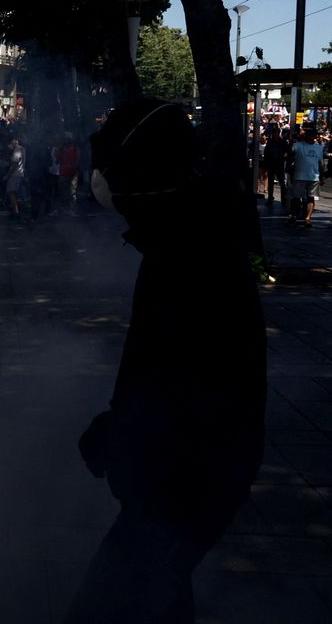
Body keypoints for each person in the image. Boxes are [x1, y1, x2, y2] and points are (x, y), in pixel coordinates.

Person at [68, 99, 265, 623]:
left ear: (146, 178)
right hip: (181, 476)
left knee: (113, 605)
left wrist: (126, 434)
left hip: (188, 481)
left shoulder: (193, 254)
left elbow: (193, 383)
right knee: (157, 600)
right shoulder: (187, 237)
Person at [288, 127, 326, 227]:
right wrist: (291, 143)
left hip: (313, 177)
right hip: (299, 176)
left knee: (311, 198)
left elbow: (320, 163)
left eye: (314, 135)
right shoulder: (298, 145)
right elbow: (290, 153)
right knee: (296, 198)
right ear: (306, 136)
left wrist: (321, 177)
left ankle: (308, 217)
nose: (312, 137)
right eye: (310, 135)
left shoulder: (319, 147)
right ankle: (293, 215)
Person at [263, 129, 289, 206]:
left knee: (282, 183)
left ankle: (283, 199)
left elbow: (287, 151)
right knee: (271, 183)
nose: (275, 135)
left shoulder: (282, 142)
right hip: (271, 164)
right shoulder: (270, 142)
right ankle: (270, 198)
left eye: (276, 133)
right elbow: (266, 153)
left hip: (279, 164)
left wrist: (283, 157)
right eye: (274, 133)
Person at [4, 135, 26, 219]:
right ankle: (16, 210)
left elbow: (15, 164)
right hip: (19, 174)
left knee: (11, 193)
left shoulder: (17, 149)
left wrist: (7, 175)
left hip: (15, 175)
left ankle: (16, 212)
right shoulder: (22, 149)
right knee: (15, 193)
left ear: (15, 141)